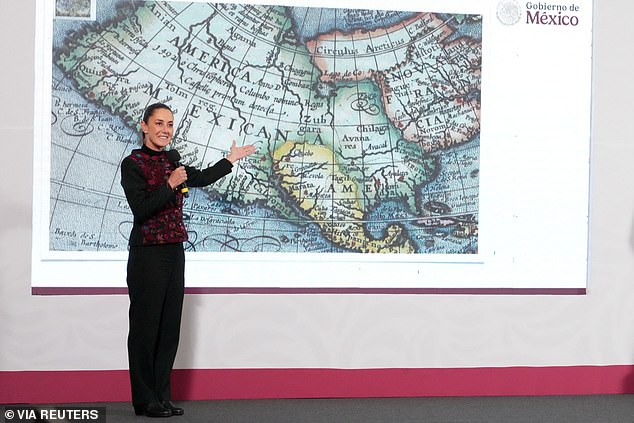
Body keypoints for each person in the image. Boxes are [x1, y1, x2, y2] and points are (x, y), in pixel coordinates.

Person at [120, 102, 256, 417]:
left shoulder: (173, 161)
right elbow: (141, 209)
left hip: (173, 251)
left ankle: (162, 396)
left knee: (169, 327)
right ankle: (144, 399)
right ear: (144, 126)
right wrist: (169, 184)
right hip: (147, 253)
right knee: (146, 327)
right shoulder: (133, 163)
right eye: (158, 123)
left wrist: (229, 160)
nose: (165, 130)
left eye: (169, 124)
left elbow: (202, 178)